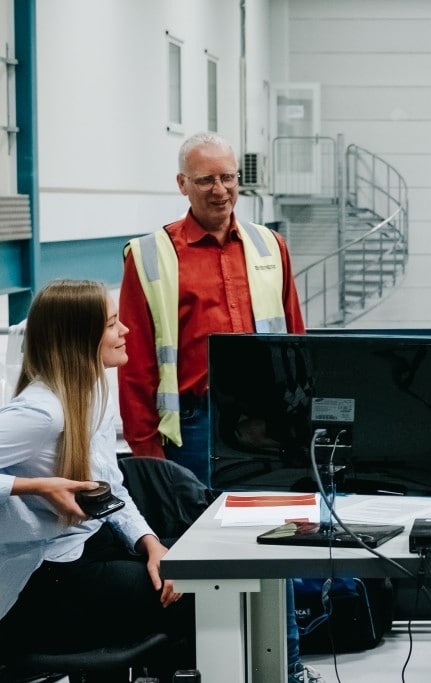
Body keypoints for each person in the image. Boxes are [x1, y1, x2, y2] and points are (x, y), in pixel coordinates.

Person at [118, 132, 317, 683]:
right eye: (206, 179)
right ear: (182, 185)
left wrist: (302, 422)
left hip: (266, 427)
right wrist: (148, 454)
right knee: (201, 555)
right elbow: (135, 364)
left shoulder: (269, 247)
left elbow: (295, 339)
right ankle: (208, 670)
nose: (220, 188)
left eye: (228, 176)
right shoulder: (152, 255)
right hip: (194, 425)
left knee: (277, 547)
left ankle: (288, 668)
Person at [0, 279, 193, 673]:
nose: (125, 331)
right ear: (79, 337)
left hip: (86, 548)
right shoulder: (42, 413)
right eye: (112, 323)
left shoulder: (92, 396)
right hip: (42, 579)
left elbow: (112, 489)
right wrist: (32, 485)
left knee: (196, 566)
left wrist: (150, 544)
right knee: (195, 592)